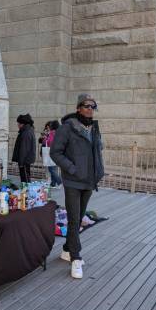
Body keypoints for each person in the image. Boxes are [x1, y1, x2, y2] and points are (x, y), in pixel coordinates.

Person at [50, 94, 104, 279]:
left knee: (79, 217)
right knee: (74, 219)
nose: (90, 109)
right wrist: (72, 168)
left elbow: (97, 150)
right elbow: (55, 152)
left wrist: (99, 171)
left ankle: (66, 249)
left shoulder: (94, 128)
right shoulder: (67, 128)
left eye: (93, 106)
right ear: (78, 108)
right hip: (73, 180)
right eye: (86, 105)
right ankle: (75, 258)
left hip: (89, 180)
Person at [12, 113, 36, 183]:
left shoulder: (26, 133)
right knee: (26, 177)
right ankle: (25, 190)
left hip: (25, 160)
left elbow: (24, 149)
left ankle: (26, 191)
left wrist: (21, 163)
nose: (18, 125)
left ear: (22, 124)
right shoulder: (28, 130)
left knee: (25, 178)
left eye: (18, 123)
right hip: (26, 159)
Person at [40, 121, 62, 188]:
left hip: (51, 153)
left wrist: (44, 139)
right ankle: (53, 183)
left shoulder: (53, 133)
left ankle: (59, 182)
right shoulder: (59, 132)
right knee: (53, 168)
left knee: (51, 169)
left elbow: (49, 142)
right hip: (57, 152)